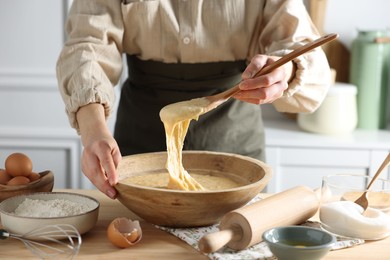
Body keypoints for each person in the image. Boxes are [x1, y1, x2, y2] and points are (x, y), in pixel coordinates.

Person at [56, 0, 331, 199]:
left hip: (235, 143)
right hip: (139, 142)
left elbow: (299, 44)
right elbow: (88, 45)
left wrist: (285, 70)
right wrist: (93, 131)